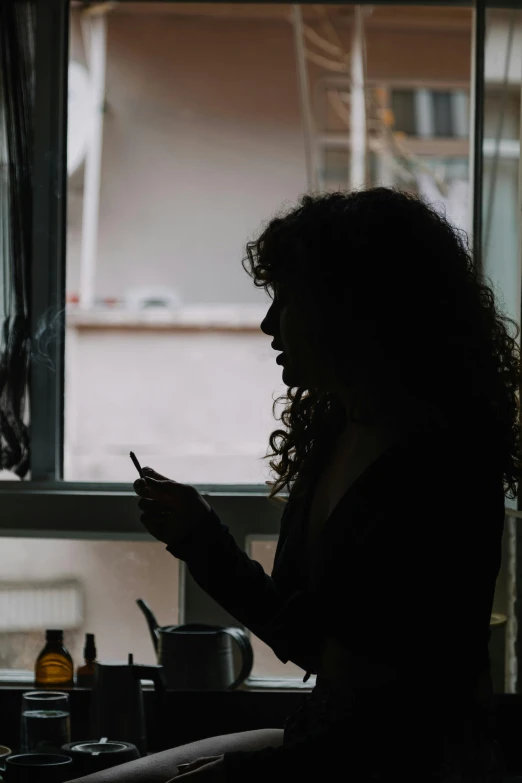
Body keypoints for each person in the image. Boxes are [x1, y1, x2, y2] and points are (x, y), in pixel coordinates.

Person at [73, 188, 520, 783]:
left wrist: (205, 544)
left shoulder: (443, 470)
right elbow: (311, 637)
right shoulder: (339, 429)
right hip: (330, 737)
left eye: (285, 302)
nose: (265, 324)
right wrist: (199, 535)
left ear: (348, 310)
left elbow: (380, 690)